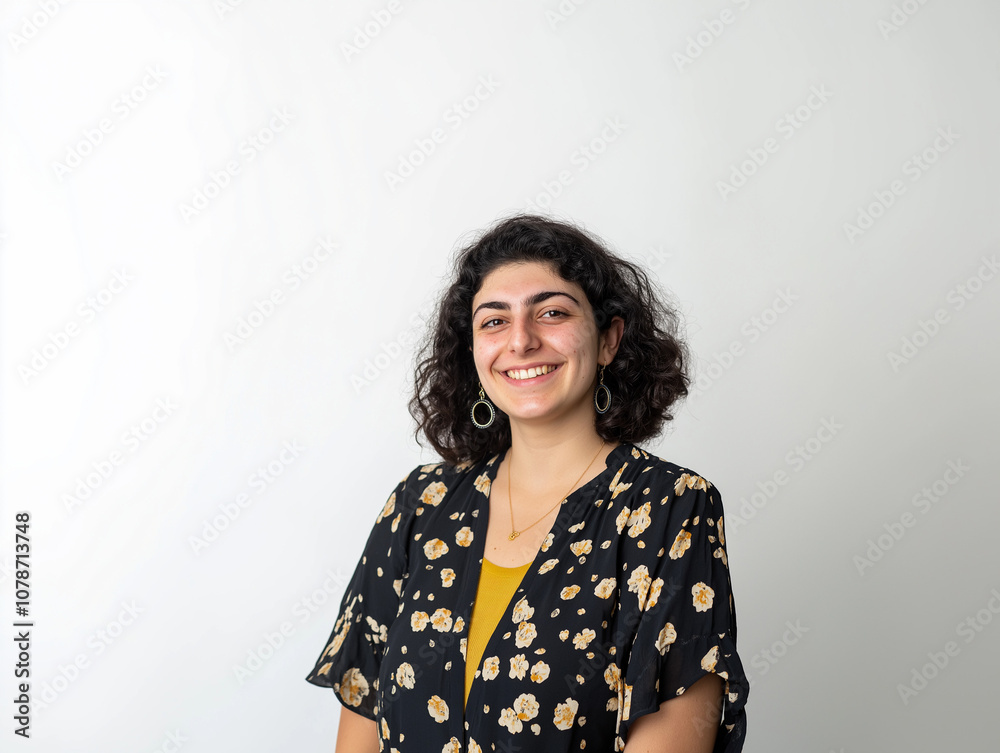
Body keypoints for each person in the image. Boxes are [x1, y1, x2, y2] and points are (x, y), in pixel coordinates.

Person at [305, 214, 749, 752]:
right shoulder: (419, 505)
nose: (521, 340)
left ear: (608, 339)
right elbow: (362, 727)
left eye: (552, 312)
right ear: (473, 353)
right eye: (494, 321)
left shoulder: (669, 508)